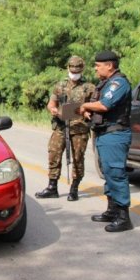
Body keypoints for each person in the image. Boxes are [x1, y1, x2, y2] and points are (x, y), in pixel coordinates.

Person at [78, 50, 133, 232]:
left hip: (115, 135)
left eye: (98, 65)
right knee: (108, 173)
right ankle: (112, 210)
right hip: (104, 134)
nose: (95, 68)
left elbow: (105, 105)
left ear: (109, 65)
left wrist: (85, 105)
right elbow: (101, 110)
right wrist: (88, 113)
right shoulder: (105, 83)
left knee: (116, 173)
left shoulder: (119, 83)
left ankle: (124, 216)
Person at [35, 56, 95, 201]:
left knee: (77, 158)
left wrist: (87, 113)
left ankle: (74, 188)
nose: (74, 73)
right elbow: (51, 103)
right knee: (54, 154)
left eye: (77, 70)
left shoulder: (89, 87)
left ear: (82, 69)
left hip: (79, 129)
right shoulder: (60, 85)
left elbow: (94, 107)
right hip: (61, 126)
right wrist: (53, 110)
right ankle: (52, 187)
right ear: (68, 68)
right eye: (72, 70)